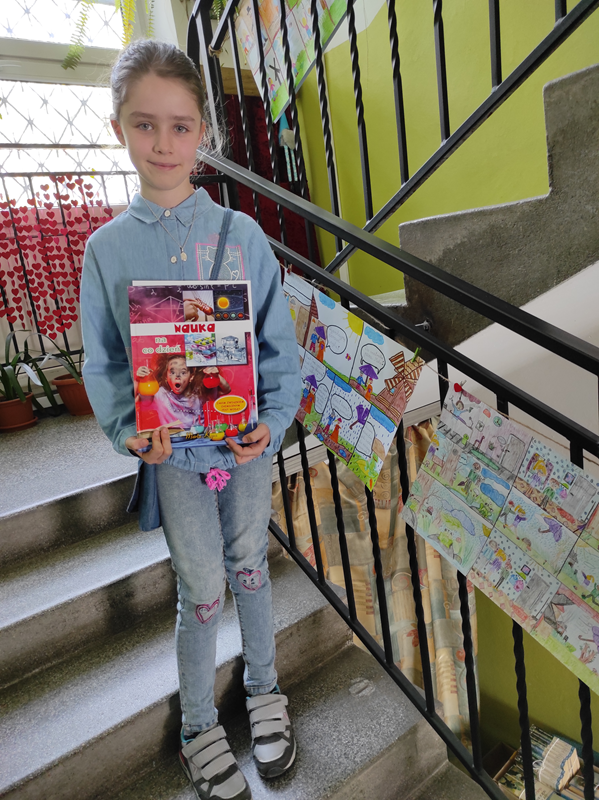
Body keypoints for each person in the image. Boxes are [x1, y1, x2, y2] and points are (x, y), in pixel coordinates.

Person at [80, 39, 302, 800]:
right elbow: (105, 361)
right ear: (119, 128)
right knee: (201, 585)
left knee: (250, 566)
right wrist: (126, 429)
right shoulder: (107, 250)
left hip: (243, 446)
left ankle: (265, 689)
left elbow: (276, 346)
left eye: (180, 126)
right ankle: (198, 725)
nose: (164, 143)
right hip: (173, 455)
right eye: (145, 125)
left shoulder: (242, 236)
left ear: (203, 131)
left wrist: (273, 418)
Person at [135, 356, 229, 429]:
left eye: (183, 373)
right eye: (172, 372)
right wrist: (138, 379)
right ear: (166, 376)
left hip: (197, 437)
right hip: (170, 439)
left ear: (191, 377)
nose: (177, 376)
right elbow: (137, 401)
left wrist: (216, 376)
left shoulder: (197, 393)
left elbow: (226, 390)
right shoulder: (160, 393)